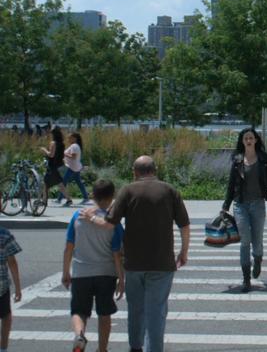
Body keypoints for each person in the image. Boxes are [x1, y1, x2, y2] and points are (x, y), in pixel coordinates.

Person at [80, 155, 190, 352]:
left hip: (134, 263)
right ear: (155, 170)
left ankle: (135, 347)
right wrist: (184, 251)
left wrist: (90, 217)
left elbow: (109, 223)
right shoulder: (170, 190)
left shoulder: (127, 190)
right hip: (162, 263)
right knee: (156, 312)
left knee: (136, 309)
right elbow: (184, 225)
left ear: (135, 171)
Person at [62, 179, 125, 352]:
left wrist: (66, 272)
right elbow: (117, 254)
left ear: (92, 194)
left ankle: (79, 335)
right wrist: (121, 278)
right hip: (106, 273)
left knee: (79, 310)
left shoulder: (78, 217)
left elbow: (68, 247)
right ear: (113, 196)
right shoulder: (113, 223)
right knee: (104, 313)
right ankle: (102, 349)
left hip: (81, 271)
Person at [222, 127, 267, 293]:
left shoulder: (263, 158)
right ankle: (246, 279)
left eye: (251, 138)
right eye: (246, 138)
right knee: (245, 240)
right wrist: (226, 204)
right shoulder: (237, 159)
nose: (248, 140)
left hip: (258, 204)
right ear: (242, 141)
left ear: (255, 140)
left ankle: (258, 259)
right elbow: (231, 184)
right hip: (240, 205)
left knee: (257, 238)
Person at [0, 227, 22, 352]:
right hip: (1, 285)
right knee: (6, 316)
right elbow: (12, 262)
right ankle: (3, 348)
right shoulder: (4, 234)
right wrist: (18, 288)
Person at [41, 125, 73, 206]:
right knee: (60, 184)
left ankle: (44, 201)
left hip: (52, 166)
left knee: (45, 183)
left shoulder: (53, 143)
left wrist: (44, 150)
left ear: (53, 134)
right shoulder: (62, 143)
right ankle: (69, 200)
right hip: (58, 165)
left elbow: (51, 155)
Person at [63, 132, 90, 205]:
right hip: (75, 167)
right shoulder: (75, 145)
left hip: (72, 167)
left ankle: (60, 198)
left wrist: (64, 154)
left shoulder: (74, 146)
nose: (68, 139)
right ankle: (86, 197)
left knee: (63, 182)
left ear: (75, 138)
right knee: (78, 182)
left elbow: (73, 157)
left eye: (70, 138)